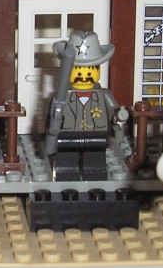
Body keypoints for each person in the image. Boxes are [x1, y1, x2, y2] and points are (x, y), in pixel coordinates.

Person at [45, 30, 119, 181]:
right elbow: (51, 112)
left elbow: (113, 111)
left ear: (98, 70)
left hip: (96, 134)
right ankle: (66, 177)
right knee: (67, 161)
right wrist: (51, 125)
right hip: (68, 134)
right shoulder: (61, 95)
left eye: (90, 72)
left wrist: (118, 119)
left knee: (95, 161)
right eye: (78, 72)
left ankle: (95, 178)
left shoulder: (103, 94)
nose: (84, 77)